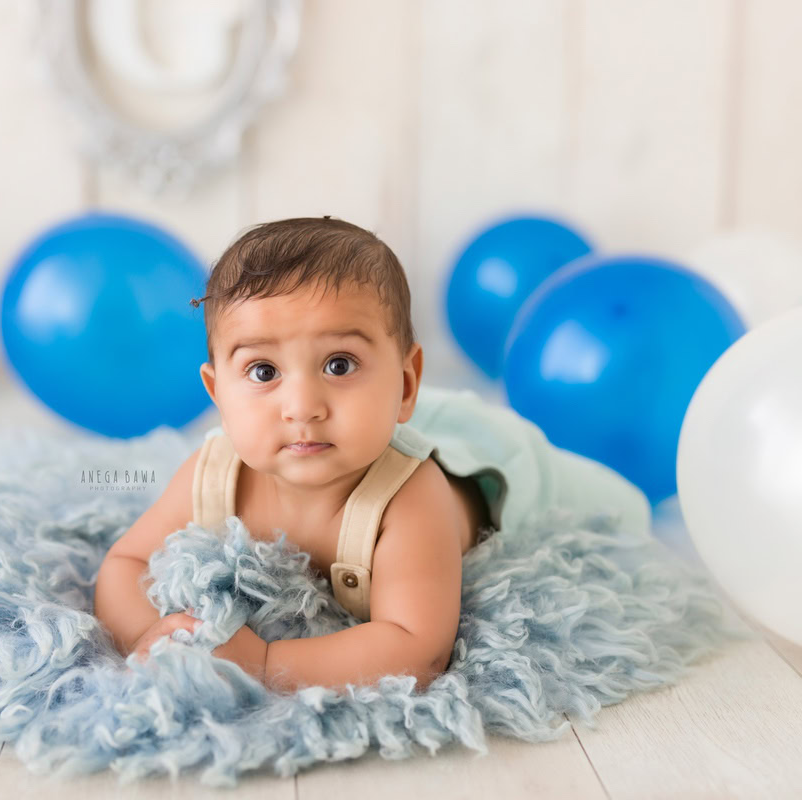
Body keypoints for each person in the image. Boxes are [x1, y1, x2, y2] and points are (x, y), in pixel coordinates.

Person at [92, 216, 651, 693]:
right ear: (217, 394)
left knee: (624, 507)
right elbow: (125, 564)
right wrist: (148, 635)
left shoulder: (410, 501)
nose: (302, 406)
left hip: (487, 455)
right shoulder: (212, 475)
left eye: (339, 364)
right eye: (263, 372)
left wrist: (264, 665)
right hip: (373, 421)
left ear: (406, 384)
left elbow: (416, 647)